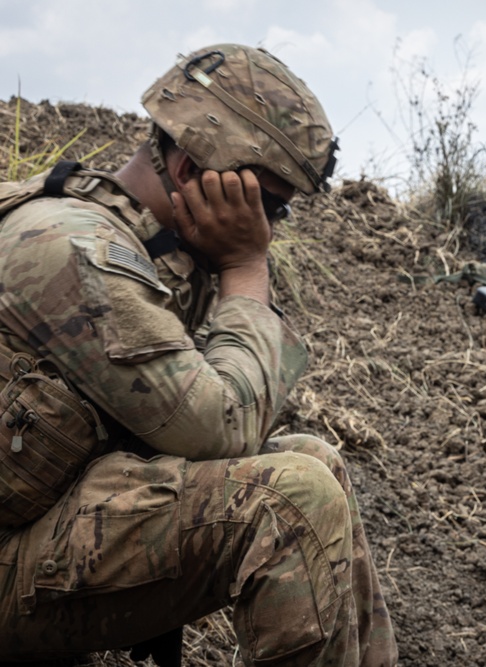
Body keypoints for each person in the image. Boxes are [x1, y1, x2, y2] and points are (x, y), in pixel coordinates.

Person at [0, 44, 397, 666]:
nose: (268, 229)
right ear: (190, 171)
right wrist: (245, 267)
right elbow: (220, 428)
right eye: (267, 205)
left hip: (32, 530)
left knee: (314, 461)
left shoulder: (147, 252)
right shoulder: (71, 248)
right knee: (293, 499)